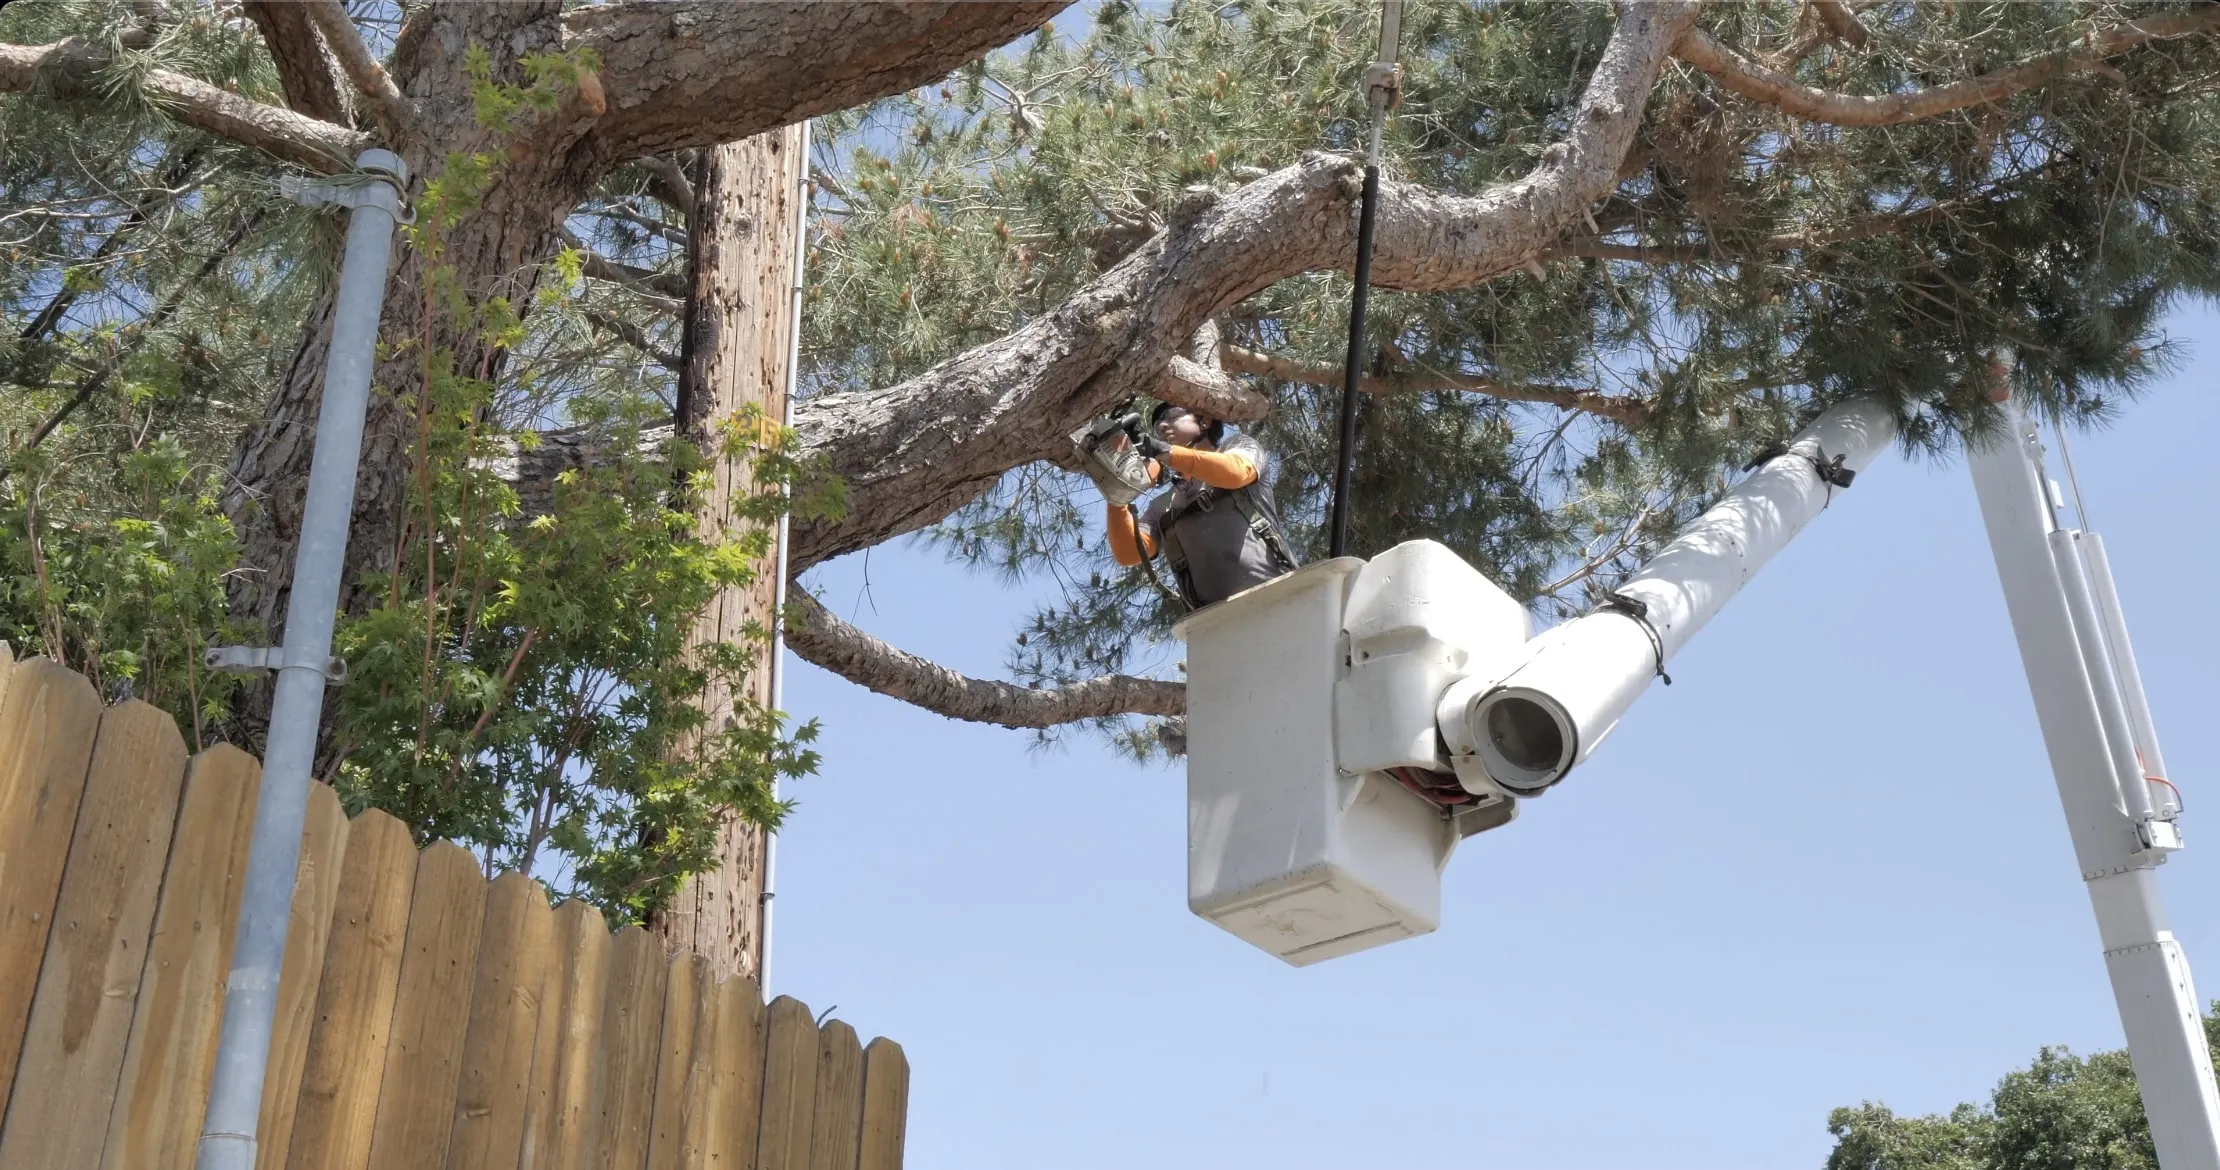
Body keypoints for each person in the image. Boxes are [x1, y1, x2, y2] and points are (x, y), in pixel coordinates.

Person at [1102, 402, 1299, 610]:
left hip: (1281, 597)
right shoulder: (1163, 507)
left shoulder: (1240, 446)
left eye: (1170, 416)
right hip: (1214, 623)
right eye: (1157, 425)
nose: (1161, 427)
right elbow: (1129, 553)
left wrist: (1165, 451)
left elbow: (1236, 472)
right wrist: (1117, 493)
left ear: (1204, 421)